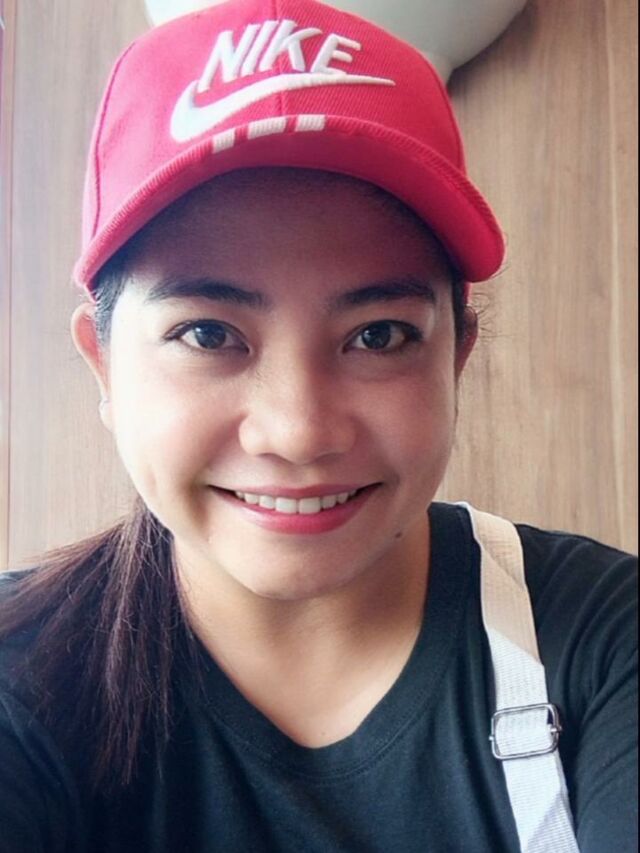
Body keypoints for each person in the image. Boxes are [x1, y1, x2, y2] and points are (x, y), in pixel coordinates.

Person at [0, 0, 636, 851]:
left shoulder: (605, 639)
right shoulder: (19, 675)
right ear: (104, 364)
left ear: (456, 356)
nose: (298, 432)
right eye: (208, 333)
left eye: (379, 335)